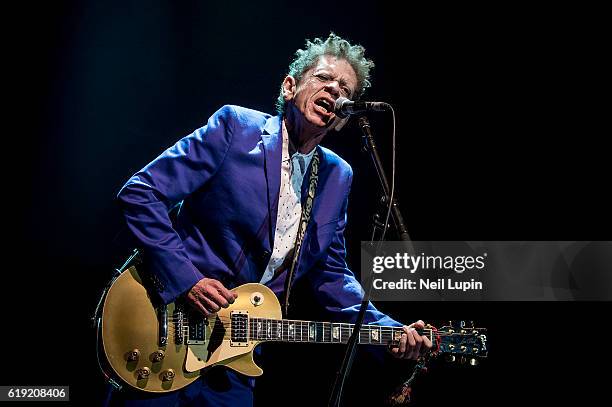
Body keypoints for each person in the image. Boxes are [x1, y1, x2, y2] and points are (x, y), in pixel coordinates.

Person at [112, 33, 432, 406]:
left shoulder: (336, 177)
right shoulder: (236, 128)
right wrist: (188, 281)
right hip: (165, 322)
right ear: (290, 86)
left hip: (235, 357)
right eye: (324, 79)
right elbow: (141, 192)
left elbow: (331, 274)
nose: (335, 91)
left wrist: (390, 331)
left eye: (346, 88)